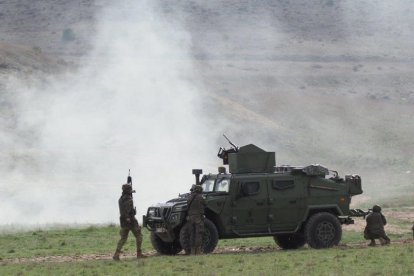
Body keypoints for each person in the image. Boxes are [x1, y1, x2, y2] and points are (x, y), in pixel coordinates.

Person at [113, 183, 146, 260]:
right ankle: (139, 253)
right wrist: (131, 214)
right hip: (131, 221)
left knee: (123, 238)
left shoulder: (120, 199)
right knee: (139, 236)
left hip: (123, 221)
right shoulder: (129, 199)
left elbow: (123, 211)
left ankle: (116, 254)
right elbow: (128, 210)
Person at [187, 184, 206, 255]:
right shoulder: (200, 197)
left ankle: (192, 251)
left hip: (190, 218)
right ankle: (198, 251)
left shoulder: (189, 198)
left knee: (192, 234)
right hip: (198, 218)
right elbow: (205, 204)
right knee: (199, 233)